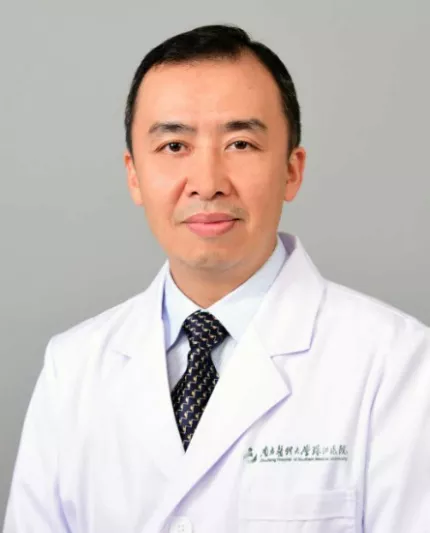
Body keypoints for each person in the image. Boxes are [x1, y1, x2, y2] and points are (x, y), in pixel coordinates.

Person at [4, 24, 429, 533]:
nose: (207, 184)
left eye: (241, 143)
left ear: (292, 170)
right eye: (174, 146)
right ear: (134, 174)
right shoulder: (73, 368)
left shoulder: (398, 365)